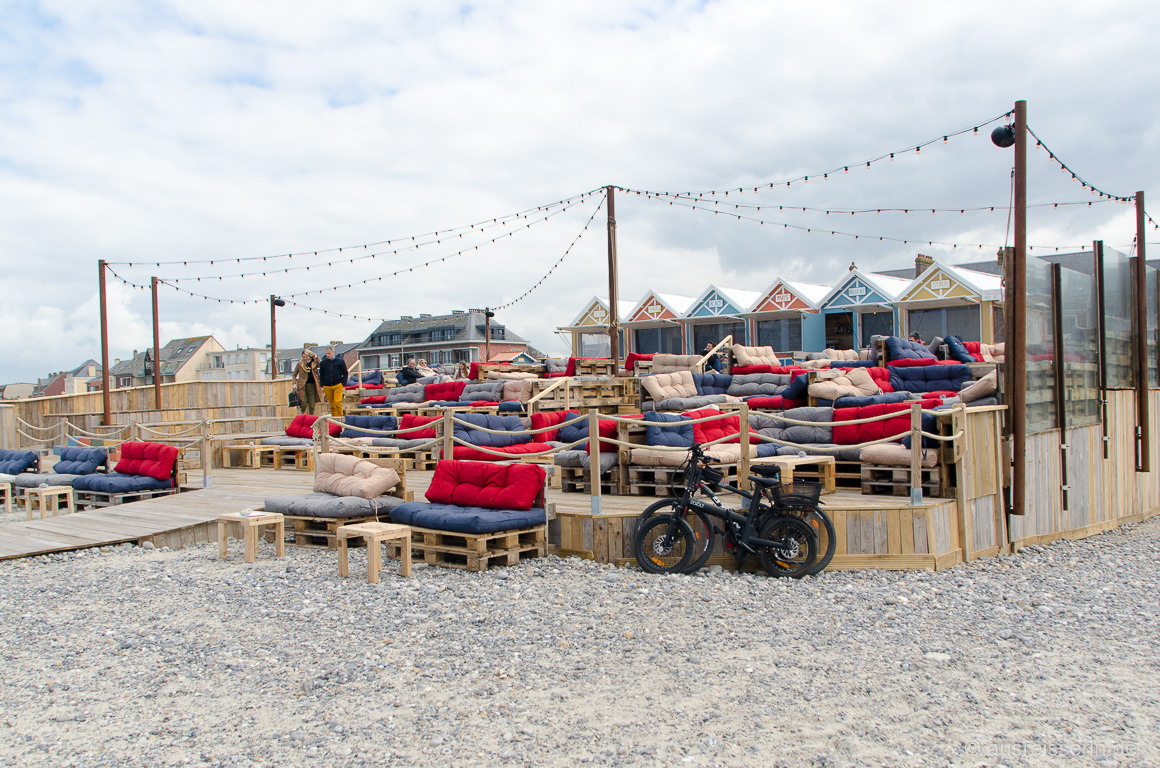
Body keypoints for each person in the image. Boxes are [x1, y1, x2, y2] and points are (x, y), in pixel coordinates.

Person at [318, 345, 349, 417]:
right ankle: (335, 419)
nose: (327, 355)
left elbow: (345, 372)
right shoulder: (323, 363)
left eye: (329, 353)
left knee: (337, 402)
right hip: (327, 386)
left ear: (333, 352)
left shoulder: (340, 362)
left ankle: (340, 418)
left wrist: (343, 383)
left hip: (337, 385)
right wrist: (322, 385)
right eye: (326, 354)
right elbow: (321, 374)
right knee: (332, 404)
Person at [291, 350, 322, 415]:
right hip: (302, 385)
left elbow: (322, 365)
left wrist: (316, 357)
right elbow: (294, 374)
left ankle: (311, 417)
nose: (305, 358)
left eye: (307, 357)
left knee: (312, 404)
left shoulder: (314, 362)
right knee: (303, 403)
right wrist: (294, 383)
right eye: (304, 357)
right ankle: (302, 415)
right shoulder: (300, 363)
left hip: (312, 385)